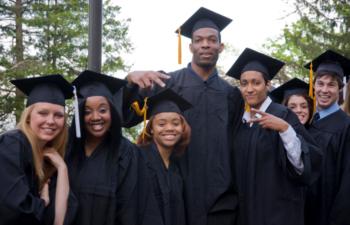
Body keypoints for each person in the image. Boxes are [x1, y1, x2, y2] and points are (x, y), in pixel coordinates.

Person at [123, 7, 243, 225]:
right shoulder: (166, 83)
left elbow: (237, 144)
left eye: (211, 40)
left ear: (221, 46)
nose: (205, 44)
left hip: (221, 201)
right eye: (199, 40)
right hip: (174, 195)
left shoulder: (231, 94)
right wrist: (130, 81)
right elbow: (126, 117)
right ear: (190, 46)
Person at [226, 48, 322, 225]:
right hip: (246, 212)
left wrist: (285, 130)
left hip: (278, 213)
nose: (249, 89)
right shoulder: (241, 121)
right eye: (244, 83)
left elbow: (303, 166)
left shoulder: (283, 114)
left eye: (256, 83)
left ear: (268, 85)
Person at [66, 70, 141, 225]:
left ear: (112, 112)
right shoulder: (67, 148)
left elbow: (129, 208)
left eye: (102, 110)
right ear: (80, 115)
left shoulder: (126, 152)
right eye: (87, 112)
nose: (95, 117)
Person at [0, 74, 76, 225]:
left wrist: (62, 168)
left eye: (58, 115)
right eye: (43, 113)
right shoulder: (12, 144)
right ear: (28, 117)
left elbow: (59, 220)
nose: (51, 121)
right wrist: (42, 202)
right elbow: (12, 208)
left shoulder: (50, 155)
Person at [303, 50, 350, 225]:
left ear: (340, 88)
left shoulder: (346, 126)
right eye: (320, 83)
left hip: (328, 214)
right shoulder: (308, 122)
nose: (324, 90)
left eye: (331, 85)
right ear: (313, 86)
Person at [135, 88, 192, 225]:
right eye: (161, 124)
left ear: (182, 128)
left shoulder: (177, 166)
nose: (170, 128)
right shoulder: (137, 159)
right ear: (151, 128)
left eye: (176, 123)